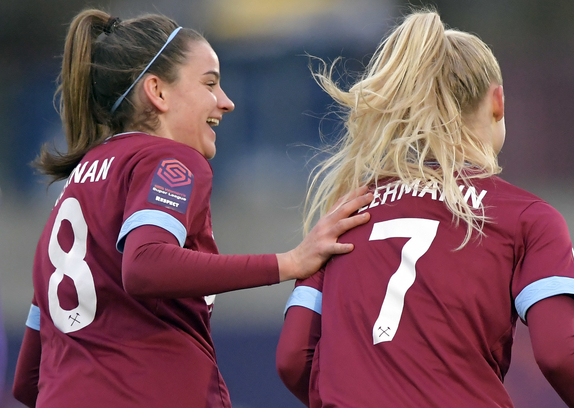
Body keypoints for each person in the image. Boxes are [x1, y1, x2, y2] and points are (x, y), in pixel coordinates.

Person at [12, 9, 372, 408]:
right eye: (210, 83)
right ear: (158, 92)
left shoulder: (73, 189)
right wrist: (291, 262)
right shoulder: (169, 160)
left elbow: (29, 379)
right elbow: (145, 265)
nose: (226, 102)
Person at [276, 9, 574, 408]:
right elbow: (559, 354)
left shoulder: (345, 214)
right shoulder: (527, 217)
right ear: (497, 101)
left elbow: (291, 359)